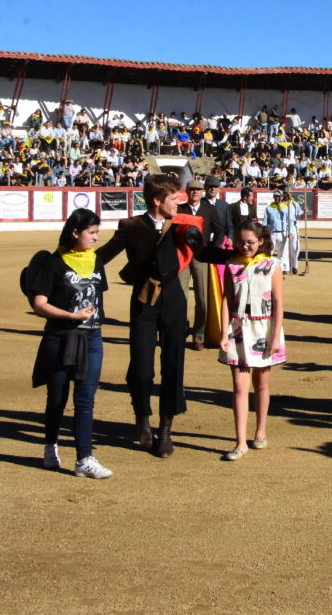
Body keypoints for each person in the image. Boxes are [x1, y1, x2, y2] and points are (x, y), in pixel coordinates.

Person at [96, 172, 231, 458]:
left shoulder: (181, 225)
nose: (179, 202)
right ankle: (142, 419)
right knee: (142, 365)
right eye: (173, 199)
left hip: (172, 300)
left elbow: (204, 254)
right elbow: (102, 255)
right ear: (157, 200)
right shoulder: (131, 226)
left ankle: (166, 429)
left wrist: (237, 256)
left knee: (173, 362)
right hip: (144, 299)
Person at [27, 208, 112, 479]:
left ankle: (84, 459)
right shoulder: (53, 263)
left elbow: (98, 297)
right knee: (57, 398)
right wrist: (71, 316)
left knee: (85, 400)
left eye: (96, 232)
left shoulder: (95, 261)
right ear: (75, 232)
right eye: (92, 232)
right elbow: (39, 303)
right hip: (61, 336)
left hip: (92, 337)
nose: (96, 238)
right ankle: (51, 446)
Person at [217, 220, 286, 461]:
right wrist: (224, 332)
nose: (245, 247)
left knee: (263, 384)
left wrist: (275, 336)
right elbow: (226, 299)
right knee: (239, 386)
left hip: (264, 328)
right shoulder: (231, 265)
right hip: (238, 328)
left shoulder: (272, 264)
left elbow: (278, 302)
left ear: (261, 242)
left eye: (250, 243)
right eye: (241, 242)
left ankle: (260, 431)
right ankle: (240, 442)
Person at [179, 179, 223, 350]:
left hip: (201, 257)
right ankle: (181, 330)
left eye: (197, 190)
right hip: (182, 257)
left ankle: (199, 335)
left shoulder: (209, 210)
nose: (195, 192)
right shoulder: (180, 209)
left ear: (202, 192)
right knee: (180, 298)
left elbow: (220, 232)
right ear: (187, 192)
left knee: (203, 299)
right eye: (191, 190)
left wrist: (213, 248)